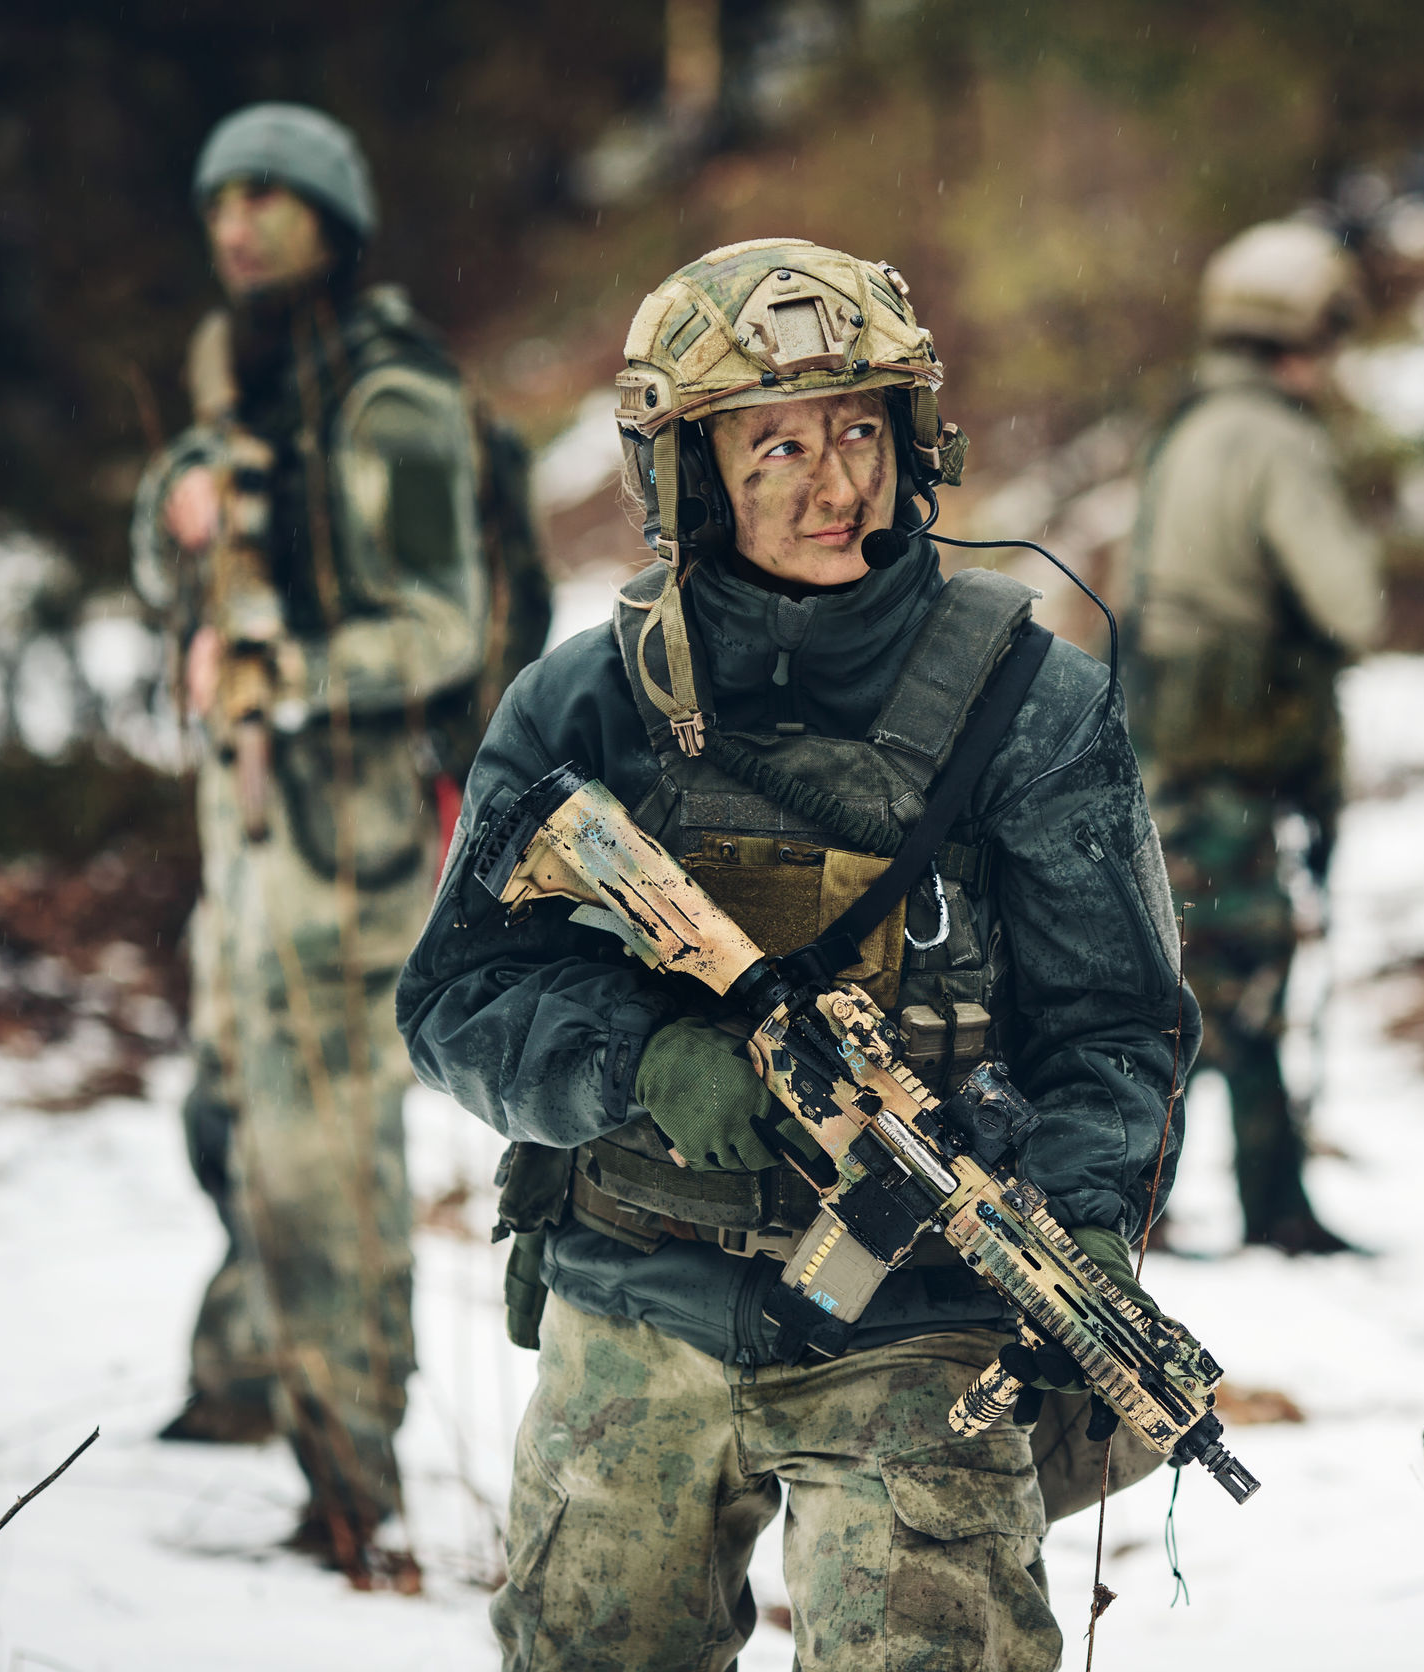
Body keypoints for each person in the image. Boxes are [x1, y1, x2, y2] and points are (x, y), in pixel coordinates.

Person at [397, 236, 1196, 1671]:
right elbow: (455, 997)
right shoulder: (585, 704)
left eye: (863, 433)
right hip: (637, 1290)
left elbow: (1118, 1029)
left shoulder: (1033, 708)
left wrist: (1081, 1221)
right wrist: (646, 1064)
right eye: (777, 447)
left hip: (923, 1326)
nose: (839, 487)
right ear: (689, 472)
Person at [129, 102, 501, 1584]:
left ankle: (349, 1476)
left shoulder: (392, 400)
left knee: (321, 1152)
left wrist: (278, 673)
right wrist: (180, 513)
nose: (238, 220)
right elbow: (172, 565)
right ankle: (245, 1369)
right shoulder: (248, 378)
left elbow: (441, 625)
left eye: (274, 196)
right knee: (225, 1111)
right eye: (223, 193)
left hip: (339, 829)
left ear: (335, 220)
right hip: (243, 814)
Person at [1123, 217, 1385, 1255]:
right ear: (1299, 336)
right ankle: (1267, 1206)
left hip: (1172, 752)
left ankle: (1161, 1199)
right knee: (1240, 982)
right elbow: (1351, 603)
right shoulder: (1273, 440)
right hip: (1232, 759)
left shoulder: (1185, 426)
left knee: (1182, 979)